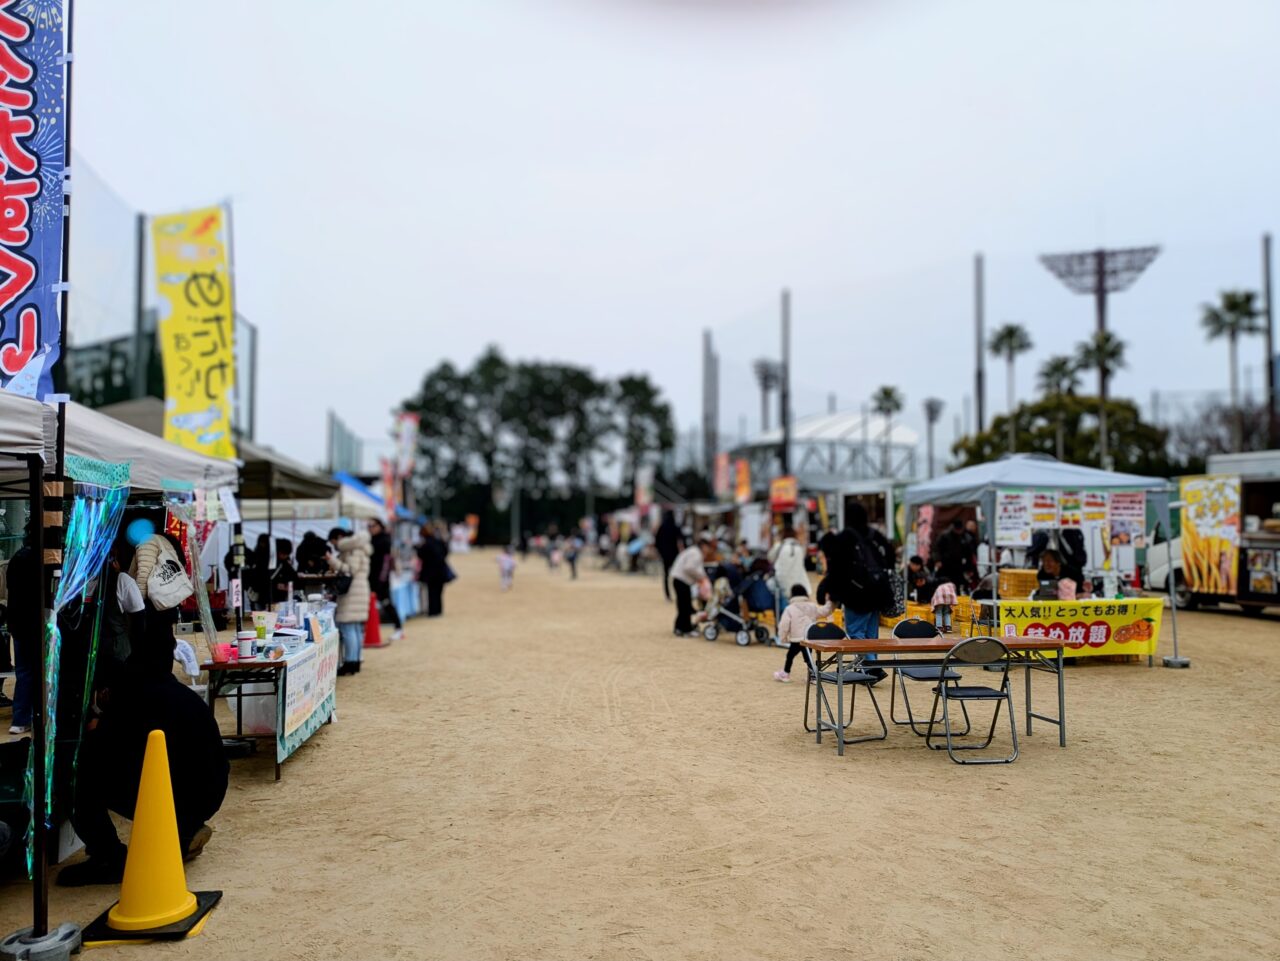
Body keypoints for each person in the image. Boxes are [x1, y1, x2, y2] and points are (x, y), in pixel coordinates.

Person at [58, 610, 228, 886]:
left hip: (175, 798)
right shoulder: (186, 697)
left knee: (76, 772)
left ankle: (108, 856)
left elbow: (102, 754)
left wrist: (97, 721)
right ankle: (183, 832)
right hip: (208, 795)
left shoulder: (131, 698)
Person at [817, 502, 893, 642]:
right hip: (877, 591)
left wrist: (828, 590)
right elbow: (890, 555)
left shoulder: (845, 537)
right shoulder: (874, 534)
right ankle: (872, 663)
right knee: (871, 635)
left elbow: (837, 568)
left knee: (856, 632)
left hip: (856, 594)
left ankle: (866, 663)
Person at [4, 536, 38, 735]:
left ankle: (20, 719)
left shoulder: (17, 559)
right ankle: (35, 716)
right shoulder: (39, 559)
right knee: (39, 671)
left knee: (24, 672)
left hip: (18, 623)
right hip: (35, 623)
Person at [772, 584, 834, 682]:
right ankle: (812, 675)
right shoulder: (812, 606)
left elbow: (784, 625)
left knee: (790, 656)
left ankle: (786, 673)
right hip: (808, 638)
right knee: (807, 657)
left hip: (796, 639)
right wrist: (830, 601)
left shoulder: (789, 608)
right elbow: (824, 611)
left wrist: (783, 638)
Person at [333, 529, 372, 674]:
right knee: (355, 628)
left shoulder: (352, 550)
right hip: (360, 590)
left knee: (348, 628)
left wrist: (333, 560)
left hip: (353, 591)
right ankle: (354, 661)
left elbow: (350, 570)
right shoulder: (361, 548)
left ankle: (350, 662)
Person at [670, 534, 716, 637]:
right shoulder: (696, 553)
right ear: (704, 546)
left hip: (679, 579)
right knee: (685, 606)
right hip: (682, 580)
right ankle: (685, 629)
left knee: (683, 605)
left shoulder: (693, 551)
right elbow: (689, 568)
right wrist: (701, 577)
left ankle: (680, 627)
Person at [367, 519, 403, 642]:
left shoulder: (384, 541)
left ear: (380, 526)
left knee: (387, 603)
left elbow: (386, 563)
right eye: (369, 526)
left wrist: (381, 580)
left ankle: (398, 628)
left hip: (381, 579)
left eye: (373, 525)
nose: (371, 528)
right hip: (370, 578)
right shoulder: (370, 540)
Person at [768, 526, 808, 606]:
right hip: (798, 585)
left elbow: (770, 557)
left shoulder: (780, 546)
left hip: (782, 584)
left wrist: (776, 542)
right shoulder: (799, 548)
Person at [416, 523, 449, 617]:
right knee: (438, 592)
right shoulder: (439, 541)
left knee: (432, 592)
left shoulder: (426, 543)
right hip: (440, 570)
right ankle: (438, 609)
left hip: (430, 571)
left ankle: (433, 611)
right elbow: (445, 552)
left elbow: (420, 555)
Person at [654, 511, 684, 602]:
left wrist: (660, 551)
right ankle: (678, 594)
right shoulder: (675, 527)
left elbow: (657, 541)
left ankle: (668, 595)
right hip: (674, 555)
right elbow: (682, 539)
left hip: (664, 555)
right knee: (677, 575)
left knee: (666, 575)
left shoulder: (662, 527)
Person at [269, 538, 299, 603]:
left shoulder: (285, 562)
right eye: (283, 554)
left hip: (280, 596)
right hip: (268, 596)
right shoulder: (271, 561)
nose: (285, 556)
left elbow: (294, 576)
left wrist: (285, 586)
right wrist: (276, 585)